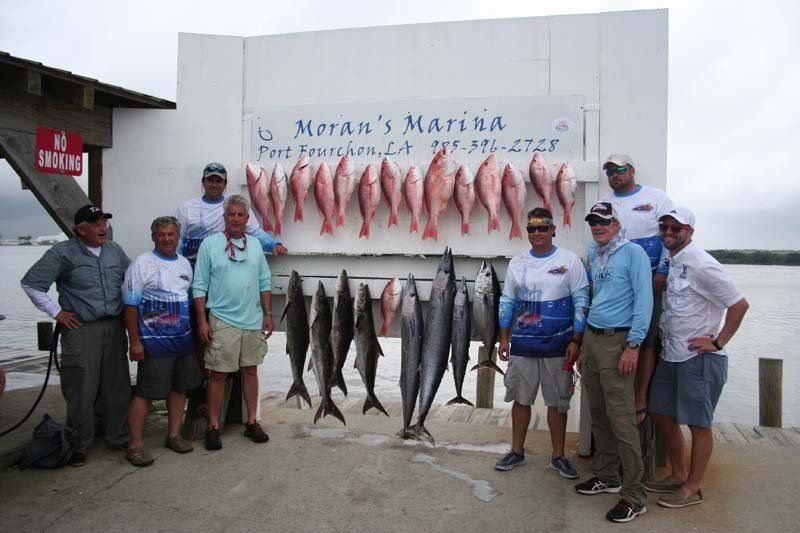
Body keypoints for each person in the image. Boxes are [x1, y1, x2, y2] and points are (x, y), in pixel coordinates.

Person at [646, 207, 749, 508]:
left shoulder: (703, 264)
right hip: (671, 355)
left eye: (675, 227)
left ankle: (693, 487)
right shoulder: (672, 260)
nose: (668, 232)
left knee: (698, 424)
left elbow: (739, 305)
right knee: (660, 413)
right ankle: (678, 474)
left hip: (698, 359)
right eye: (664, 226)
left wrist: (717, 342)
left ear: (689, 231)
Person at [21, 204, 131, 467]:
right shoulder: (62, 253)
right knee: (81, 388)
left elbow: (132, 279)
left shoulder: (114, 250)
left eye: (104, 223)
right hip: (81, 329)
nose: (103, 228)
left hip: (115, 327)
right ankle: (79, 444)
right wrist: (56, 313)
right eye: (96, 224)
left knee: (117, 386)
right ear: (81, 230)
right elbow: (31, 284)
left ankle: (119, 437)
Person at [494, 208, 589, 480]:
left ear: (553, 230)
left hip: (559, 347)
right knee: (520, 400)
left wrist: (576, 340)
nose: (537, 233)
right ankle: (516, 451)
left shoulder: (570, 261)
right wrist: (504, 338)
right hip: (523, 346)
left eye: (543, 228)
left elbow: (582, 302)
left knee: (557, 404)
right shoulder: (517, 262)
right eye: (532, 228)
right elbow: (507, 302)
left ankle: (558, 456)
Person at [574, 201, 653, 523]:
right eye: (593, 222)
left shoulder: (633, 253)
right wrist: (584, 346)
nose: (598, 227)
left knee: (621, 418)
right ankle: (607, 475)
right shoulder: (596, 254)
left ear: (617, 225)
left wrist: (633, 345)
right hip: (593, 339)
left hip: (618, 340)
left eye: (604, 221)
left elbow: (644, 300)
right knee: (598, 413)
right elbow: (597, 297)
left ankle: (635, 495)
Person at [192, 195, 274, 450]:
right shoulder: (209, 244)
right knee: (218, 374)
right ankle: (212, 426)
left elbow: (264, 281)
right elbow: (199, 286)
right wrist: (202, 321)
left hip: (252, 320)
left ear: (247, 219)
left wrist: (268, 314)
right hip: (221, 319)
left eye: (240, 215)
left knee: (250, 371)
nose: (236, 219)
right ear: (224, 217)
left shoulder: (256, 245)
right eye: (231, 214)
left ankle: (252, 422)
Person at [597, 154, 674, 421]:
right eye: (609, 172)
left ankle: (640, 397)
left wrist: (663, 270)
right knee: (620, 338)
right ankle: (620, 394)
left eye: (619, 169)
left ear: (632, 170)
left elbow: (668, 234)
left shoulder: (656, 197)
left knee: (647, 339)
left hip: (650, 280)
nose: (614, 175)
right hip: (617, 284)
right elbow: (599, 243)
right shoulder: (605, 203)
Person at [122, 216, 201, 467]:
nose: (167, 239)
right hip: (154, 343)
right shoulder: (141, 263)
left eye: (171, 234)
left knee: (180, 389)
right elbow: (130, 305)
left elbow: (188, 299)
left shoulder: (185, 264)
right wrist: (134, 342)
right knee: (145, 394)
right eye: (162, 235)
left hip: (182, 341)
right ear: (153, 237)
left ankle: (174, 435)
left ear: (178, 237)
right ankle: (135, 446)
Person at [175, 162, 287, 263]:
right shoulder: (186, 207)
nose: (214, 185)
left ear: (225, 184)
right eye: (210, 180)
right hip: (191, 263)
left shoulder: (234, 206)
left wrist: (274, 245)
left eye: (218, 181)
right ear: (203, 182)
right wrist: (178, 266)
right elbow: (177, 239)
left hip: (221, 265)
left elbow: (254, 231)